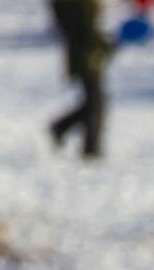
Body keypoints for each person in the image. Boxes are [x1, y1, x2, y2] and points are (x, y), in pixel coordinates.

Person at [49, 0, 110, 160]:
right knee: (95, 101)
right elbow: (83, 30)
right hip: (85, 55)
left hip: (88, 53)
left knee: (94, 101)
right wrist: (102, 45)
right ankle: (90, 148)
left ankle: (62, 128)